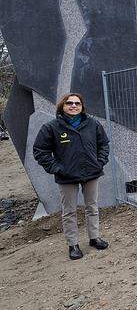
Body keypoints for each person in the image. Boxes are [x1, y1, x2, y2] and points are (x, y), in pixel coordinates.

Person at [33, 93, 110, 260]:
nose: (73, 106)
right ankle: (73, 245)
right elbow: (40, 151)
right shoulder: (51, 127)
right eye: (69, 103)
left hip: (91, 173)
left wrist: (100, 162)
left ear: (82, 107)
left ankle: (94, 238)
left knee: (92, 207)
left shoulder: (93, 124)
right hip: (67, 176)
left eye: (77, 103)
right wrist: (56, 168)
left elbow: (104, 144)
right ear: (63, 106)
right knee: (69, 211)